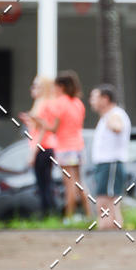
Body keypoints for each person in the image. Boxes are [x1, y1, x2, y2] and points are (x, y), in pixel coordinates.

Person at [36, 70, 91, 221]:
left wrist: (40, 123)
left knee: (69, 184)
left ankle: (69, 217)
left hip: (65, 148)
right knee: (79, 182)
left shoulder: (59, 103)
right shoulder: (78, 103)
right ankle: (88, 215)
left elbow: (54, 128)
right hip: (79, 146)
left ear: (61, 87)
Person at [89, 85, 131, 229]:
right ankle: (112, 236)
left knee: (104, 204)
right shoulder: (108, 116)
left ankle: (106, 236)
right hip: (105, 165)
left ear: (105, 99)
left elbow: (118, 126)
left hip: (110, 164)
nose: (91, 101)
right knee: (110, 204)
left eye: (95, 97)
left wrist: (113, 124)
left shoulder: (115, 114)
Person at [20, 75, 57, 215]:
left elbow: (42, 131)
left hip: (43, 148)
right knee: (44, 184)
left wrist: (32, 154)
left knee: (44, 185)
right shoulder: (40, 104)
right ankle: (49, 214)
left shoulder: (44, 104)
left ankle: (49, 214)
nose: (33, 88)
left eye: (37, 86)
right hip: (44, 148)